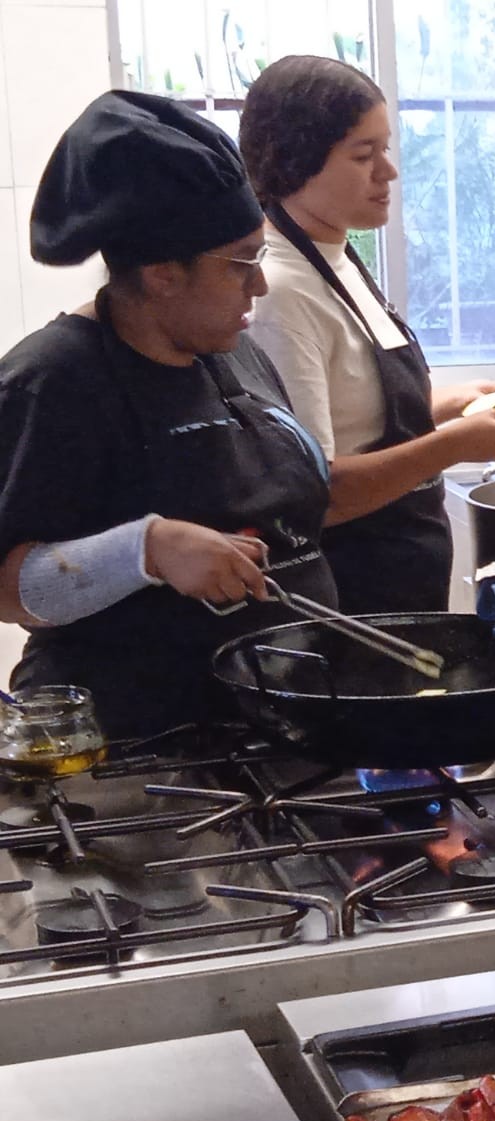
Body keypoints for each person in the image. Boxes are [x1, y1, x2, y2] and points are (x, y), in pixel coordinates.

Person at [0, 91, 338, 738]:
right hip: (144, 757)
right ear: (161, 273)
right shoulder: (52, 382)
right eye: (241, 264)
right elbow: (10, 590)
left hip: (279, 729)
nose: (258, 286)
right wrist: (146, 550)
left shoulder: (233, 350)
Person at [239, 56, 495, 615]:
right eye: (364, 155)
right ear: (295, 162)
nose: (388, 172)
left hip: (403, 575)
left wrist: (456, 406)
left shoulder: (336, 256)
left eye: (385, 149)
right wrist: (459, 444)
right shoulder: (281, 290)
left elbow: (359, 420)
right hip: (348, 594)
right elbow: (319, 493)